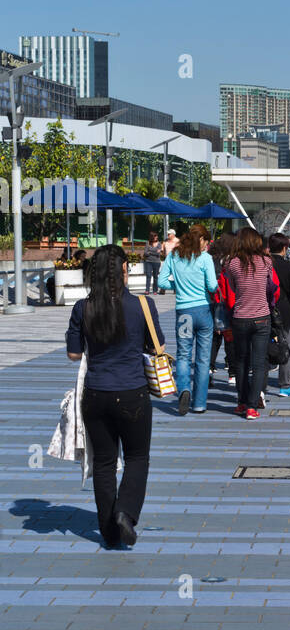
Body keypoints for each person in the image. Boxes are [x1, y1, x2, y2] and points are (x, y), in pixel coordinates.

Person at [65, 244, 162, 549]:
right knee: (137, 457)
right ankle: (125, 512)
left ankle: (108, 531)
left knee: (104, 463)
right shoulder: (142, 305)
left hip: (95, 394)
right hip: (132, 392)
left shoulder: (83, 307)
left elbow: (73, 353)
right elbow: (157, 345)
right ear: (123, 270)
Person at [158, 224, 217, 415]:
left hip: (184, 313)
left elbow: (161, 282)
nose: (207, 246)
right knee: (203, 358)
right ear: (201, 240)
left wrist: (178, 286)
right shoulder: (205, 259)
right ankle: (199, 403)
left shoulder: (174, 256)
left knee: (183, 355)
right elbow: (213, 285)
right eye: (206, 242)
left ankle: (184, 388)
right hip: (203, 312)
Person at [221, 228, 280, 419]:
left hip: (240, 317)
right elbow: (270, 286)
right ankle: (252, 407)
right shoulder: (266, 262)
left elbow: (232, 286)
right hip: (262, 317)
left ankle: (241, 402)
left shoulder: (231, 263)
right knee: (259, 363)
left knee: (241, 361)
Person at [267, 232, 290, 396]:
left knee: (262, 347)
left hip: (263, 310)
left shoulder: (264, 263)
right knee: (284, 346)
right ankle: (284, 384)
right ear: (284, 248)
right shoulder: (288, 266)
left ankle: (260, 383)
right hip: (284, 311)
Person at [207, 232, 236, 384]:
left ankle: (210, 368)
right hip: (227, 301)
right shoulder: (231, 260)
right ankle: (232, 372)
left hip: (213, 300)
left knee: (214, 337)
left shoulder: (211, 258)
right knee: (230, 338)